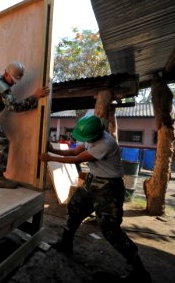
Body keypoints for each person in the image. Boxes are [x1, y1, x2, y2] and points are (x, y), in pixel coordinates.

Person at [39, 115, 151, 282]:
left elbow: (76, 159)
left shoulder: (106, 144)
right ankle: (66, 243)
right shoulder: (91, 136)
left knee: (110, 229)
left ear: (97, 133)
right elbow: (75, 151)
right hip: (93, 180)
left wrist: (49, 158)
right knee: (75, 207)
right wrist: (52, 150)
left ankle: (139, 272)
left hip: (109, 187)